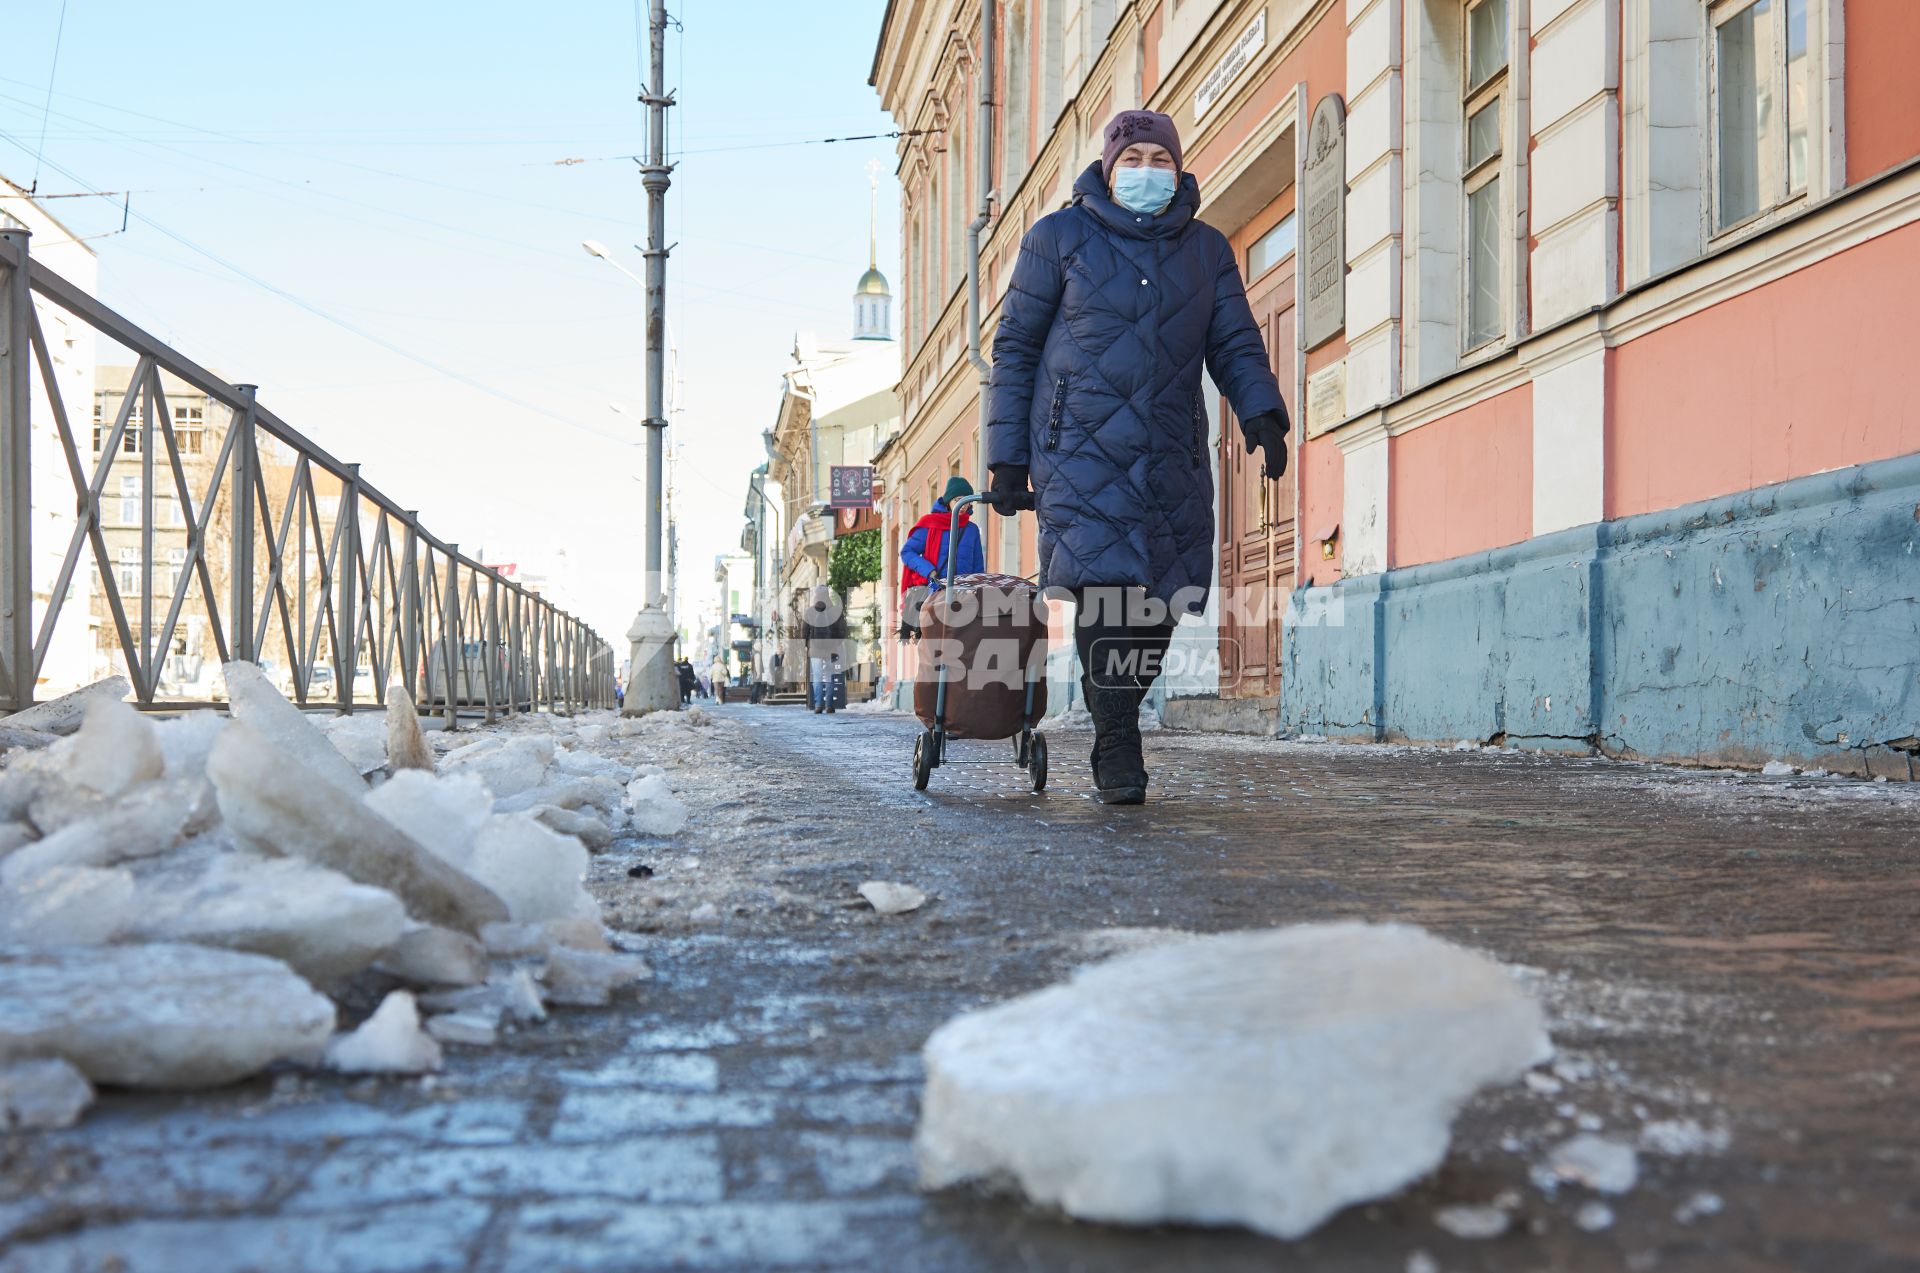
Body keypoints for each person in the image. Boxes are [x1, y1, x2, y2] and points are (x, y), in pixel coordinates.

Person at [982, 109, 1290, 806]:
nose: (1148, 170)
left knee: (1165, 601)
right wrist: (1006, 458)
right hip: (1078, 453)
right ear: (1108, 165)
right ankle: (1118, 737)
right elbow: (1016, 350)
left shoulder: (1206, 250)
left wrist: (1261, 412)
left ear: (1178, 168)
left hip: (1168, 454)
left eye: (1160, 158)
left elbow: (1235, 341)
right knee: (1104, 592)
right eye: (1134, 157)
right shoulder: (1057, 239)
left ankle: (1108, 697)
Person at [898, 475, 987, 640]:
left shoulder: (972, 530)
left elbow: (978, 568)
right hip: (936, 592)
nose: (963, 505)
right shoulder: (930, 524)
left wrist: (978, 592)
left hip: (964, 595)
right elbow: (907, 552)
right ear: (949, 501)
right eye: (958, 499)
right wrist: (929, 571)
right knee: (936, 643)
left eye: (967, 500)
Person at [800, 584, 850, 714]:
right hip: (831, 649)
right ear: (827, 594)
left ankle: (818, 705)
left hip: (815, 649)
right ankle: (829, 705)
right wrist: (837, 644)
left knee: (816, 677)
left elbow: (804, 632)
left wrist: (808, 645)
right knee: (829, 676)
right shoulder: (835, 610)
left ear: (815, 595)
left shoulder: (809, 611)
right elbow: (842, 630)